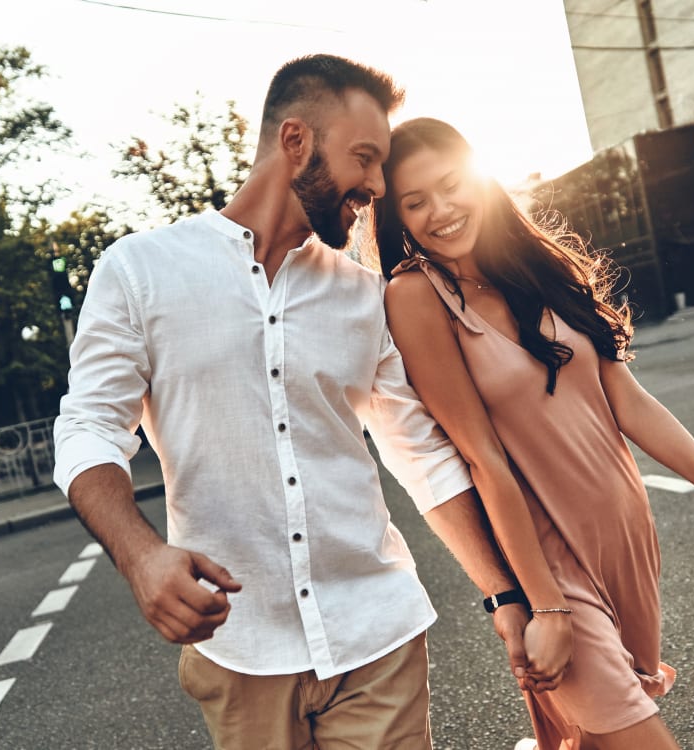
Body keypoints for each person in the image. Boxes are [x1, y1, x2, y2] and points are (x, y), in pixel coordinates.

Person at [54, 56, 549, 749]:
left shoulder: (362, 293)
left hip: (377, 633)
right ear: (296, 144)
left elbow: (422, 456)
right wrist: (141, 557)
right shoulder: (140, 271)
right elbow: (88, 428)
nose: (378, 185)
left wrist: (505, 594)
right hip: (241, 651)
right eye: (365, 159)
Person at [372, 117, 694, 750]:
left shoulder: (536, 270)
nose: (440, 210)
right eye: (415, 202)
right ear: (399, 219)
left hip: (624, 539)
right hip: (548, 557)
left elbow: (629, 403)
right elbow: (482, 459)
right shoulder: (416, 297)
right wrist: (541, 604)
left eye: (450, 185)